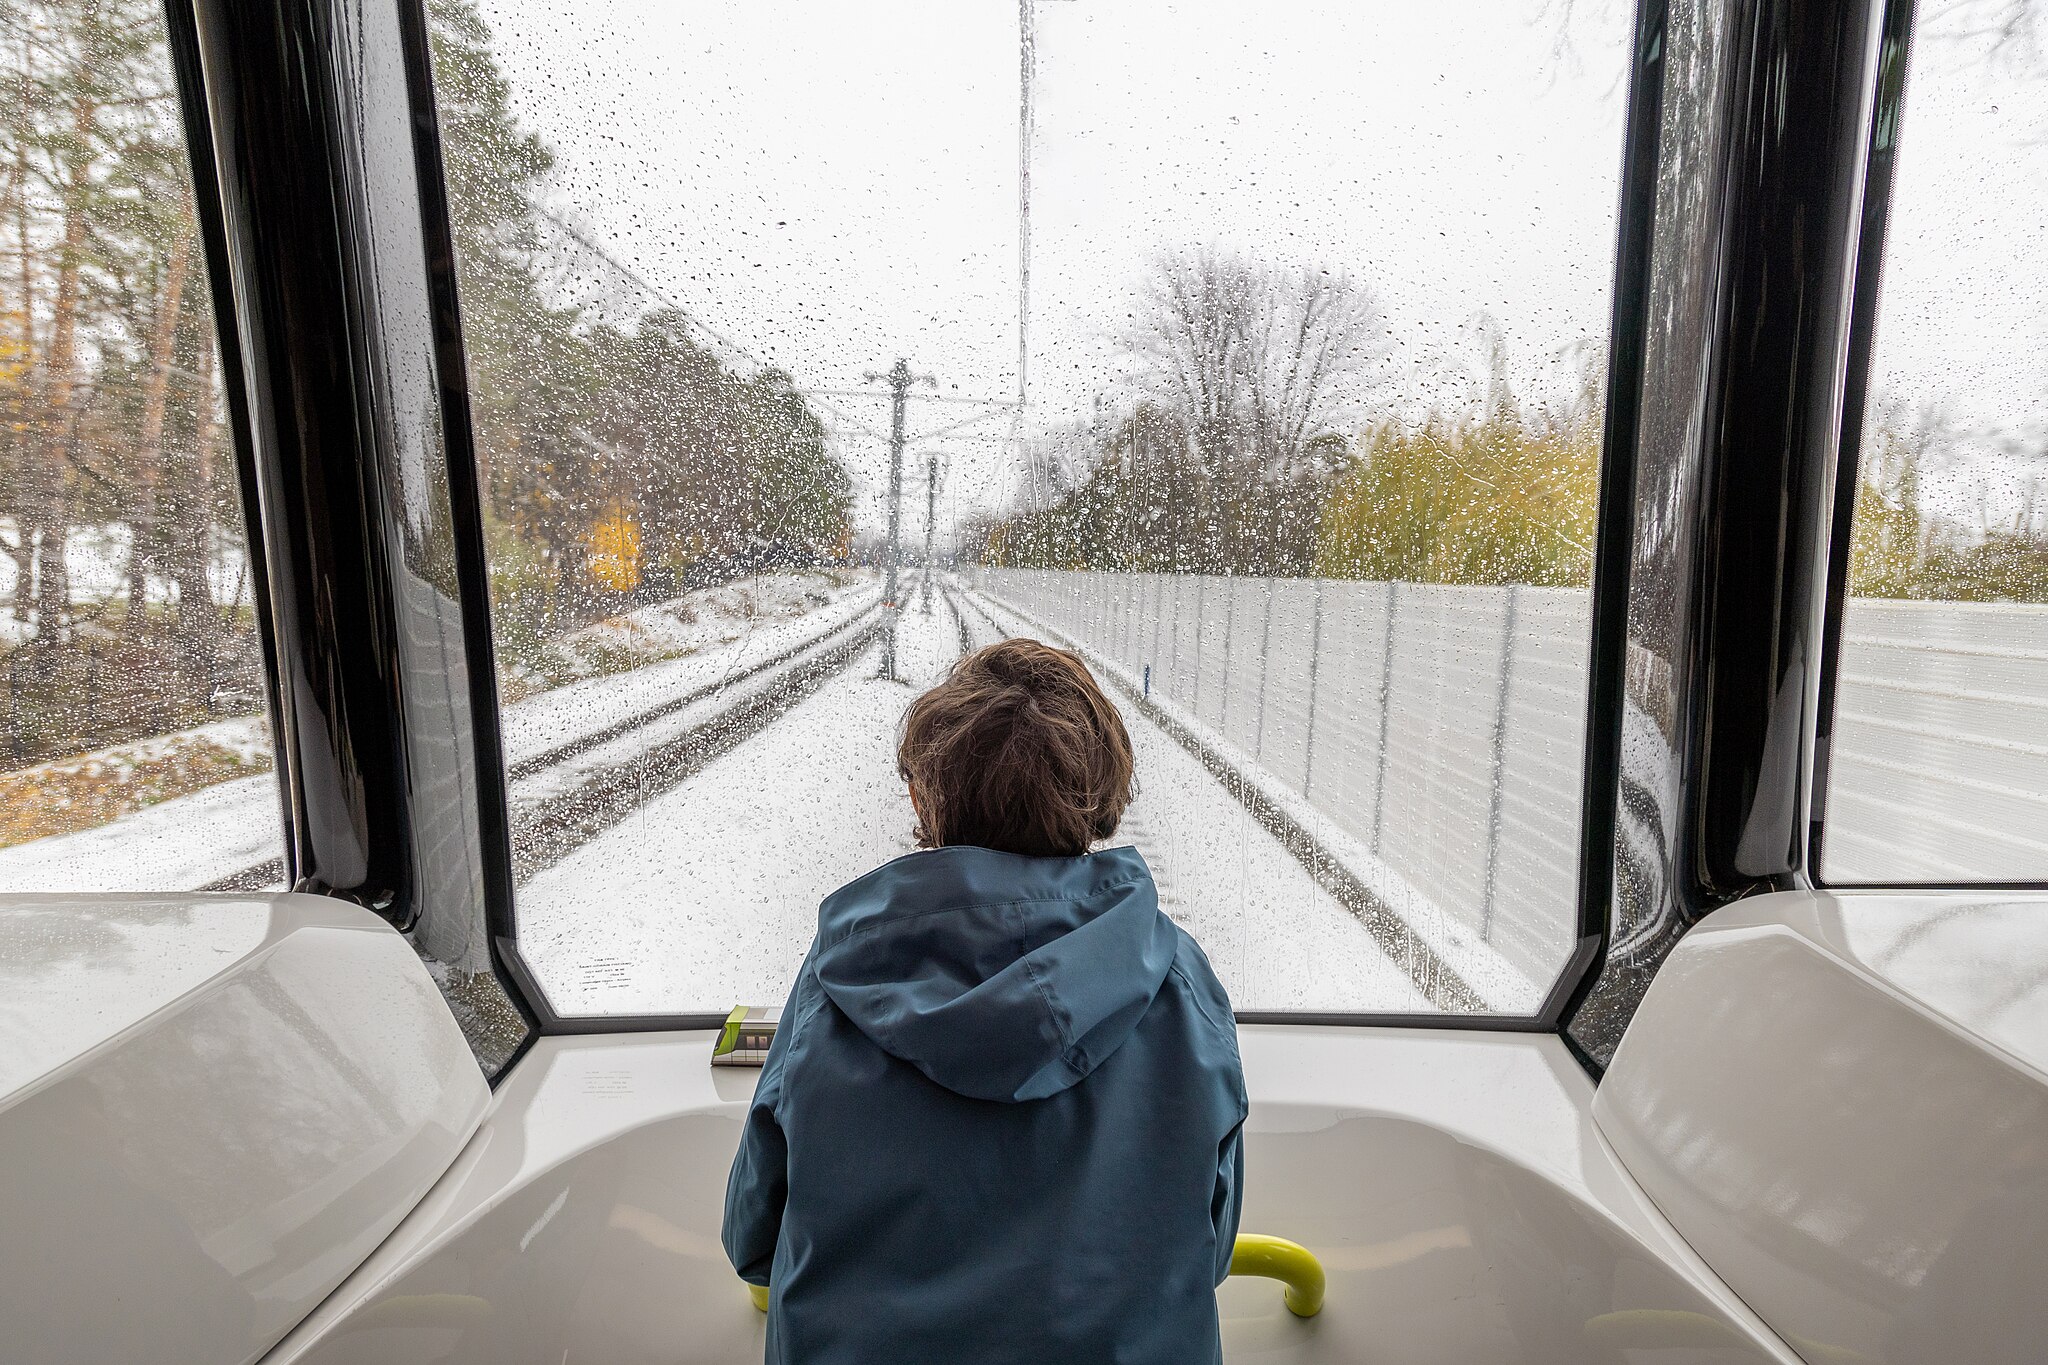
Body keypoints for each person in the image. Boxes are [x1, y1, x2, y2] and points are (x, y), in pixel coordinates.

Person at [723, 636, 1247, 1365]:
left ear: (926, 796)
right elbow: (1209, 1246)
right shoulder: (1182, 988)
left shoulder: (833, 986)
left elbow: (752, 1240)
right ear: (1100, 801)